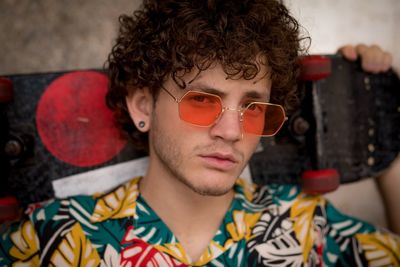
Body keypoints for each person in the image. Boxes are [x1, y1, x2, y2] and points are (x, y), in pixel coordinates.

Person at [1, 0, 399, 266]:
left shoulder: (306, 224)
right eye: (203, 101)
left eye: (252, 107)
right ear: (143, 106)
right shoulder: (52, 236)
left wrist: (380, 127)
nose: (231, 131)